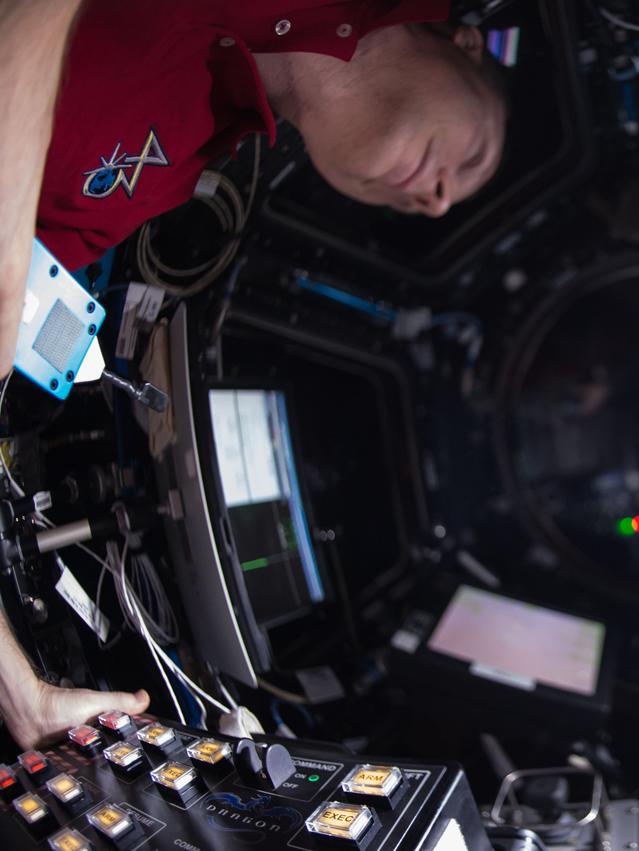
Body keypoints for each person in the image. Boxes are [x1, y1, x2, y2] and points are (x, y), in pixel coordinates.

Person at [0, 0, 507, 748]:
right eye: (473, 158)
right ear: (465, 42)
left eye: (440, 201)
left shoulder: (176, 166)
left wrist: (23, 698)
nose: (434, 200)